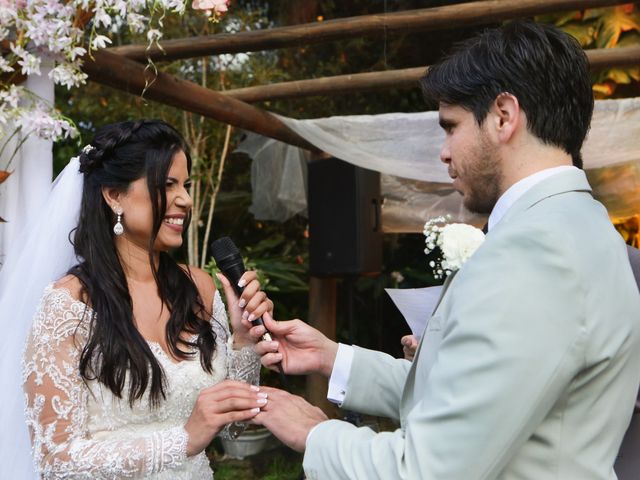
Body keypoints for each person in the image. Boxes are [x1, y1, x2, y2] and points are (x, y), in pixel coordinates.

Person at [245, 20, 640, 479]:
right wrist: (334, 358)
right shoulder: (587, 229)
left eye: (450, 127)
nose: (443, 153)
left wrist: (316, 433)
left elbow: (429, 470)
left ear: (504, 116)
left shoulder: (535, 254)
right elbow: (477, 402)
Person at [3, 119, 272, 479]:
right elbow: (57, 462)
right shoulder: (68, 305)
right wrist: (182, 441)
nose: (185, 200)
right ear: (114, 195)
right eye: (168, 185)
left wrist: (243, 342)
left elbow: (230, 429)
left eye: (187, 185)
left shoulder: (200, 289)